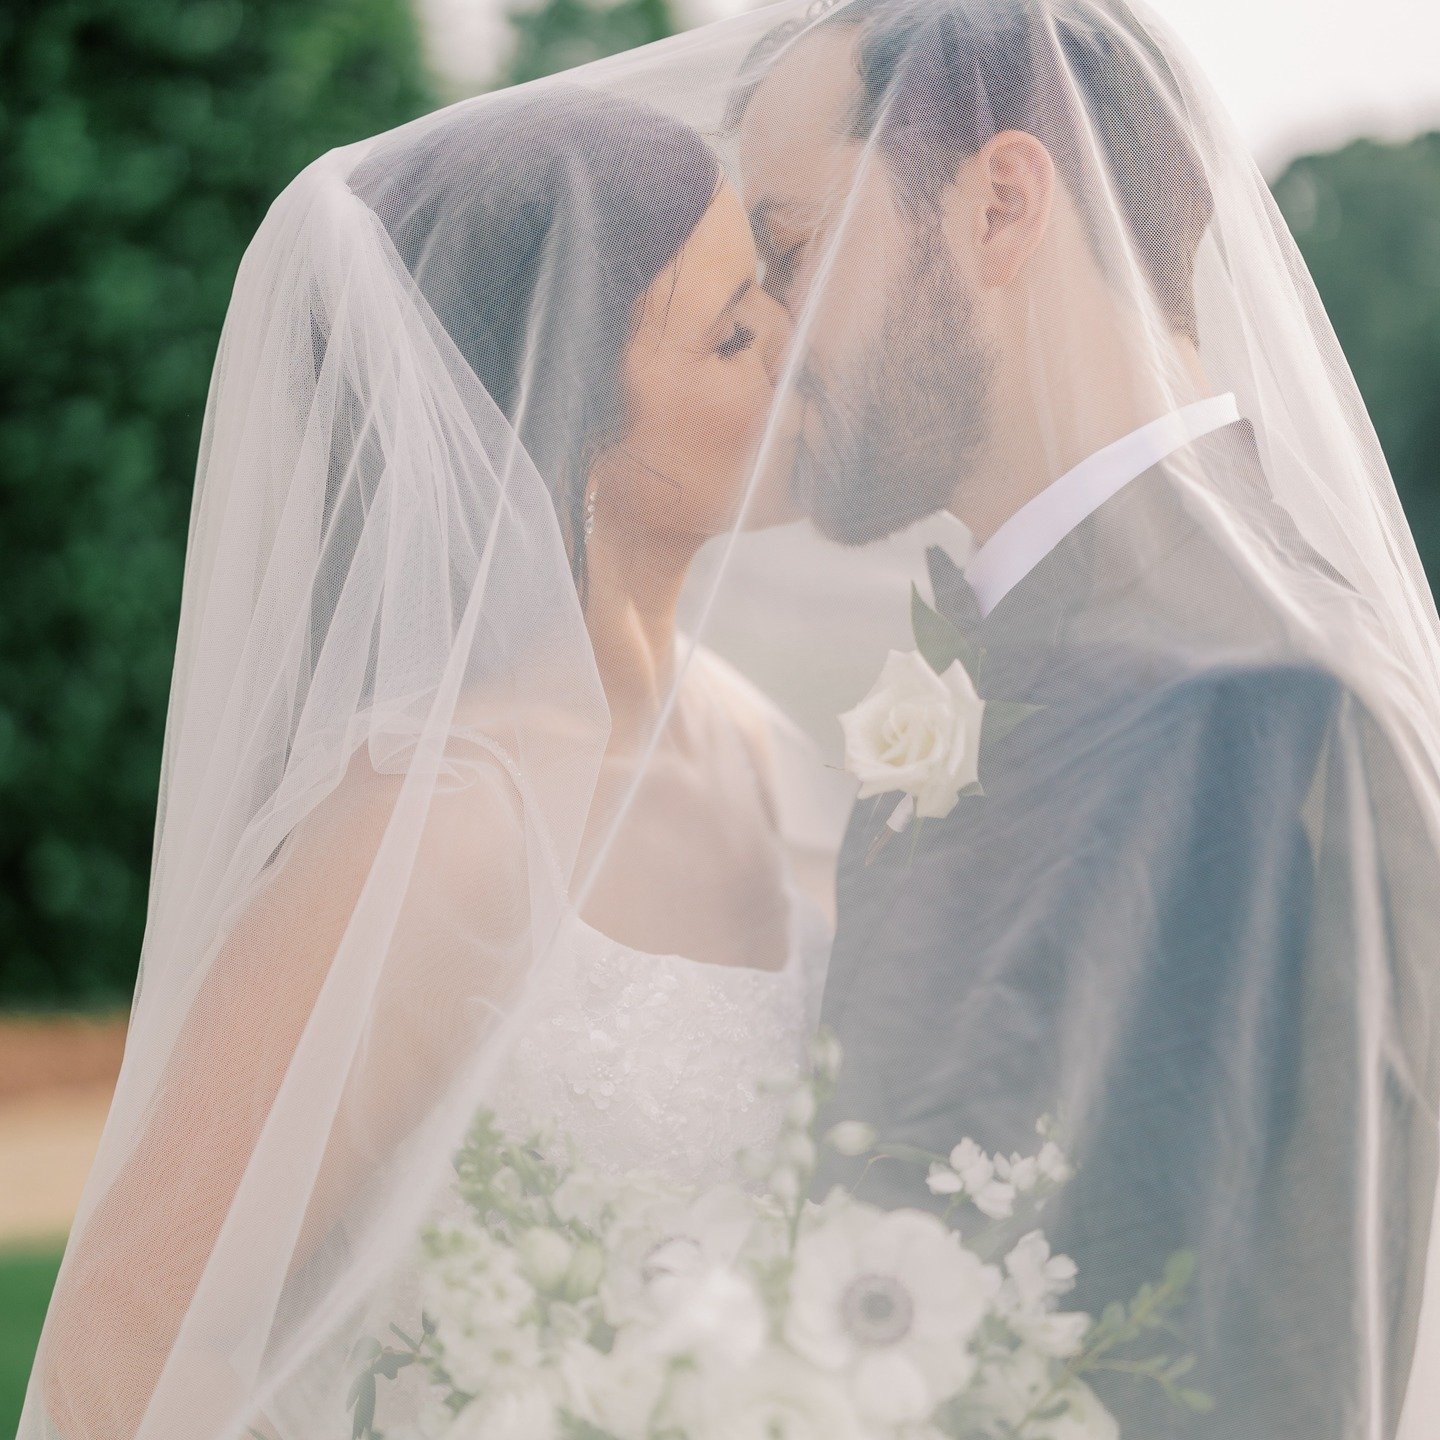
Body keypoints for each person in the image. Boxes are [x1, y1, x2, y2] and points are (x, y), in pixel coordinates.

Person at [24, 85, 834, 1440]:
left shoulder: (762, 744)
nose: (801, 353)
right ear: (574, 427)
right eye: (737, 330)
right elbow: (130, 1324)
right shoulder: (451, 821)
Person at [731, 0, 1440, 1436]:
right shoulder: (1027, 658)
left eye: (793, 250)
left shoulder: (1264, 704)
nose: (765, 330)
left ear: (1000, 203)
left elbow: (1278, 1372)